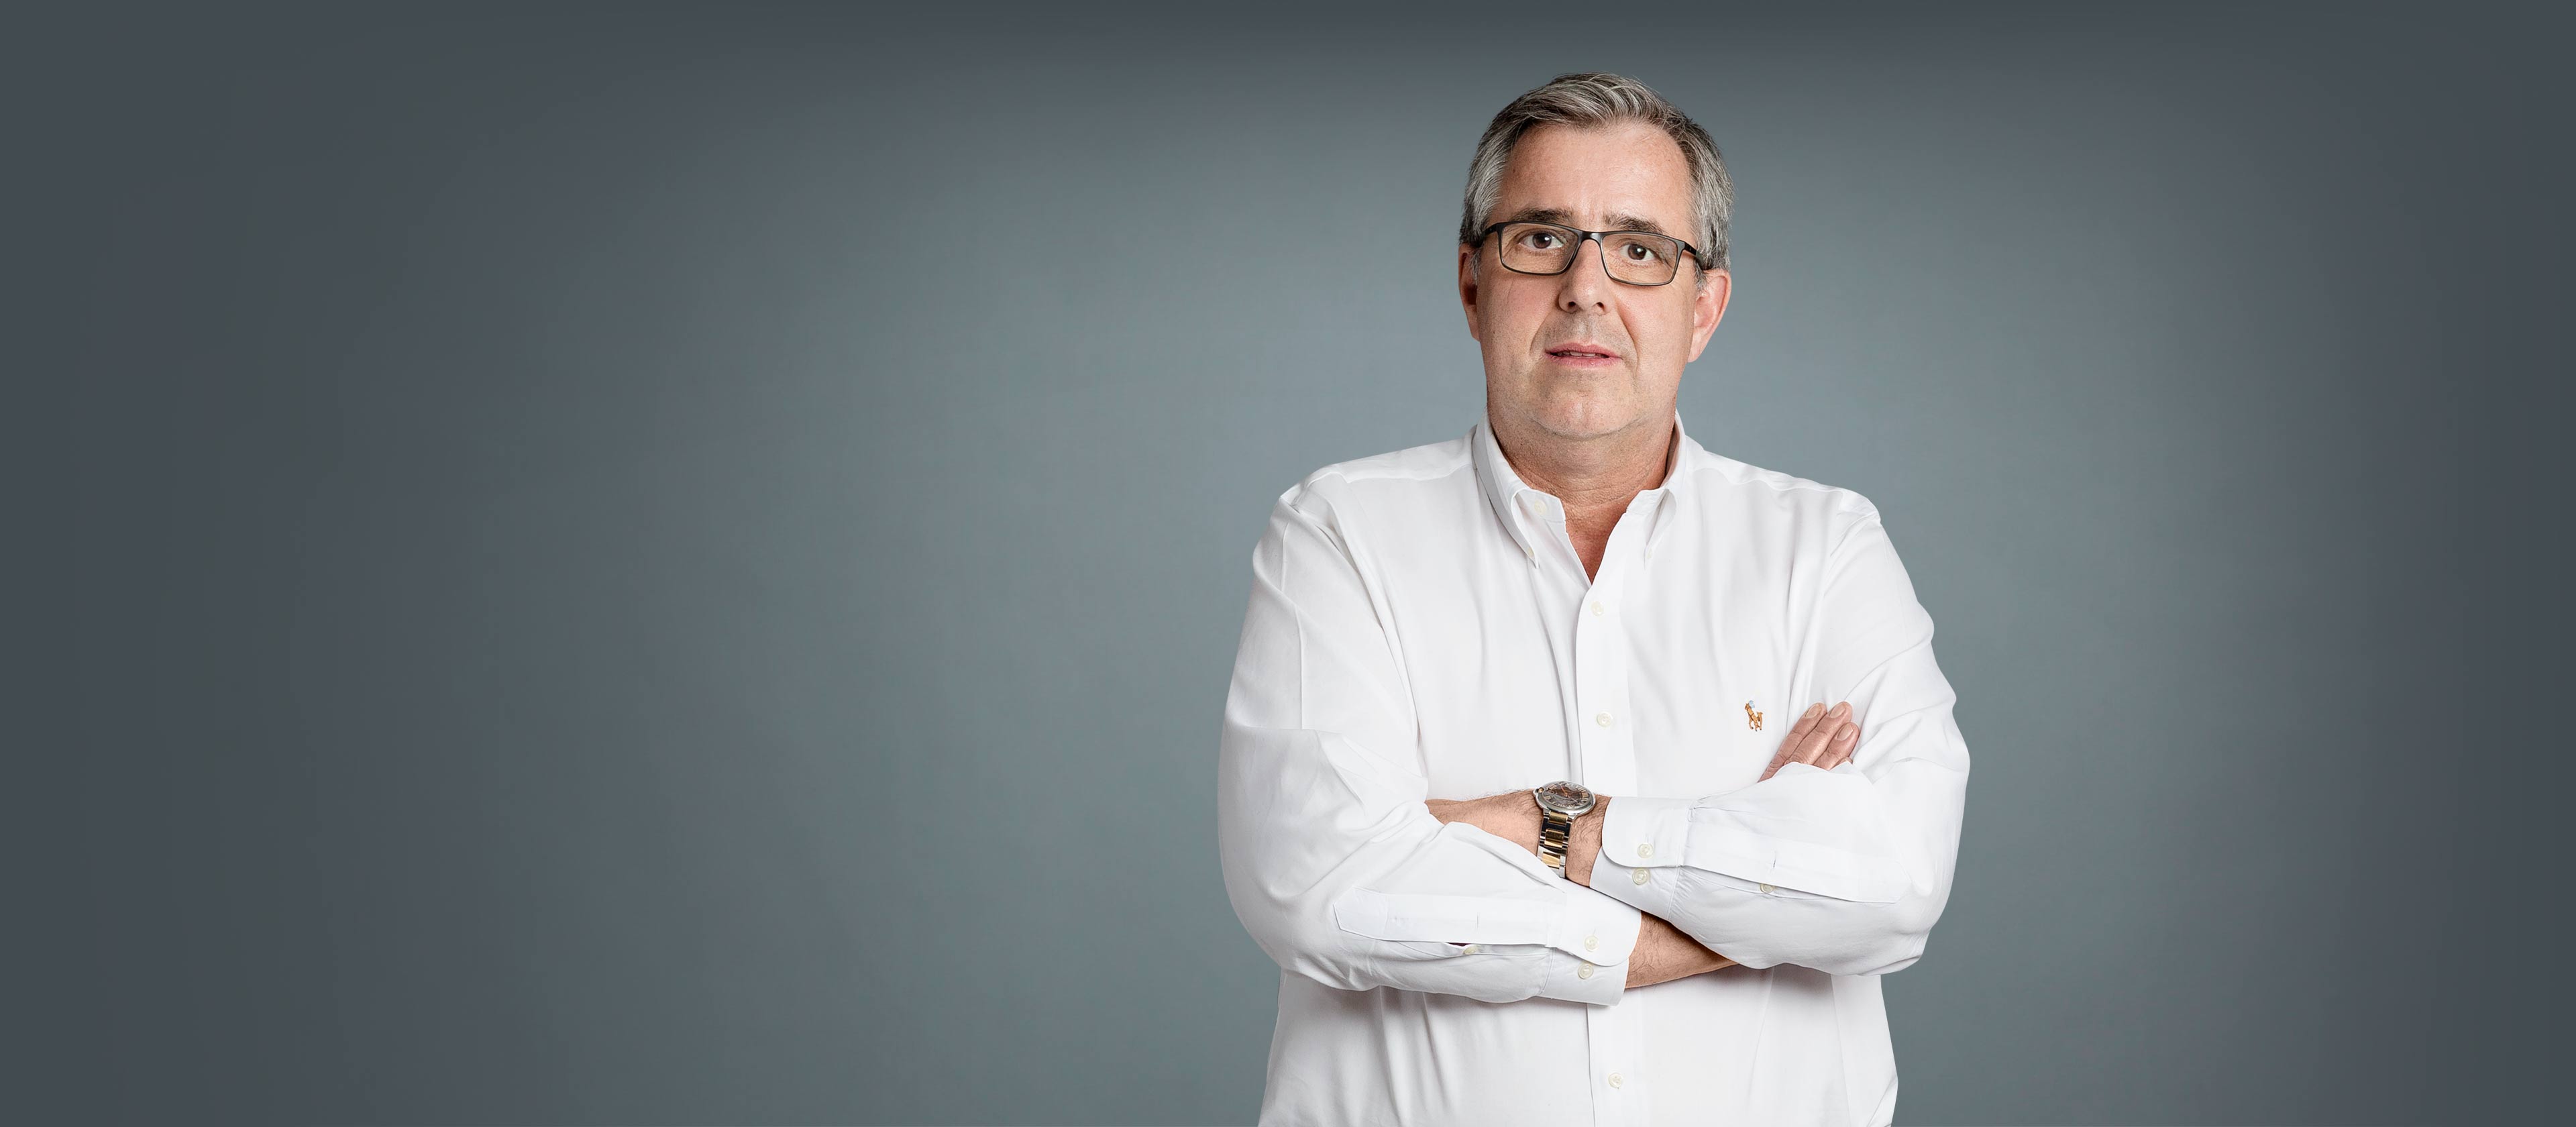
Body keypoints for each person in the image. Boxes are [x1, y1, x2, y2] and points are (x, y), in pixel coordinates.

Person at [1214, 72, 1974, 1126]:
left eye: (1640, 249)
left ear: (1703, 309)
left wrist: (1546, 828)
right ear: (1473, 284)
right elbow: (1322, 886)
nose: (1586, 287)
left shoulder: (1827, 551)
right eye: (1541, 239)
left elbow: (1893, 883)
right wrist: (1746, 907)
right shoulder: (1339, 535)